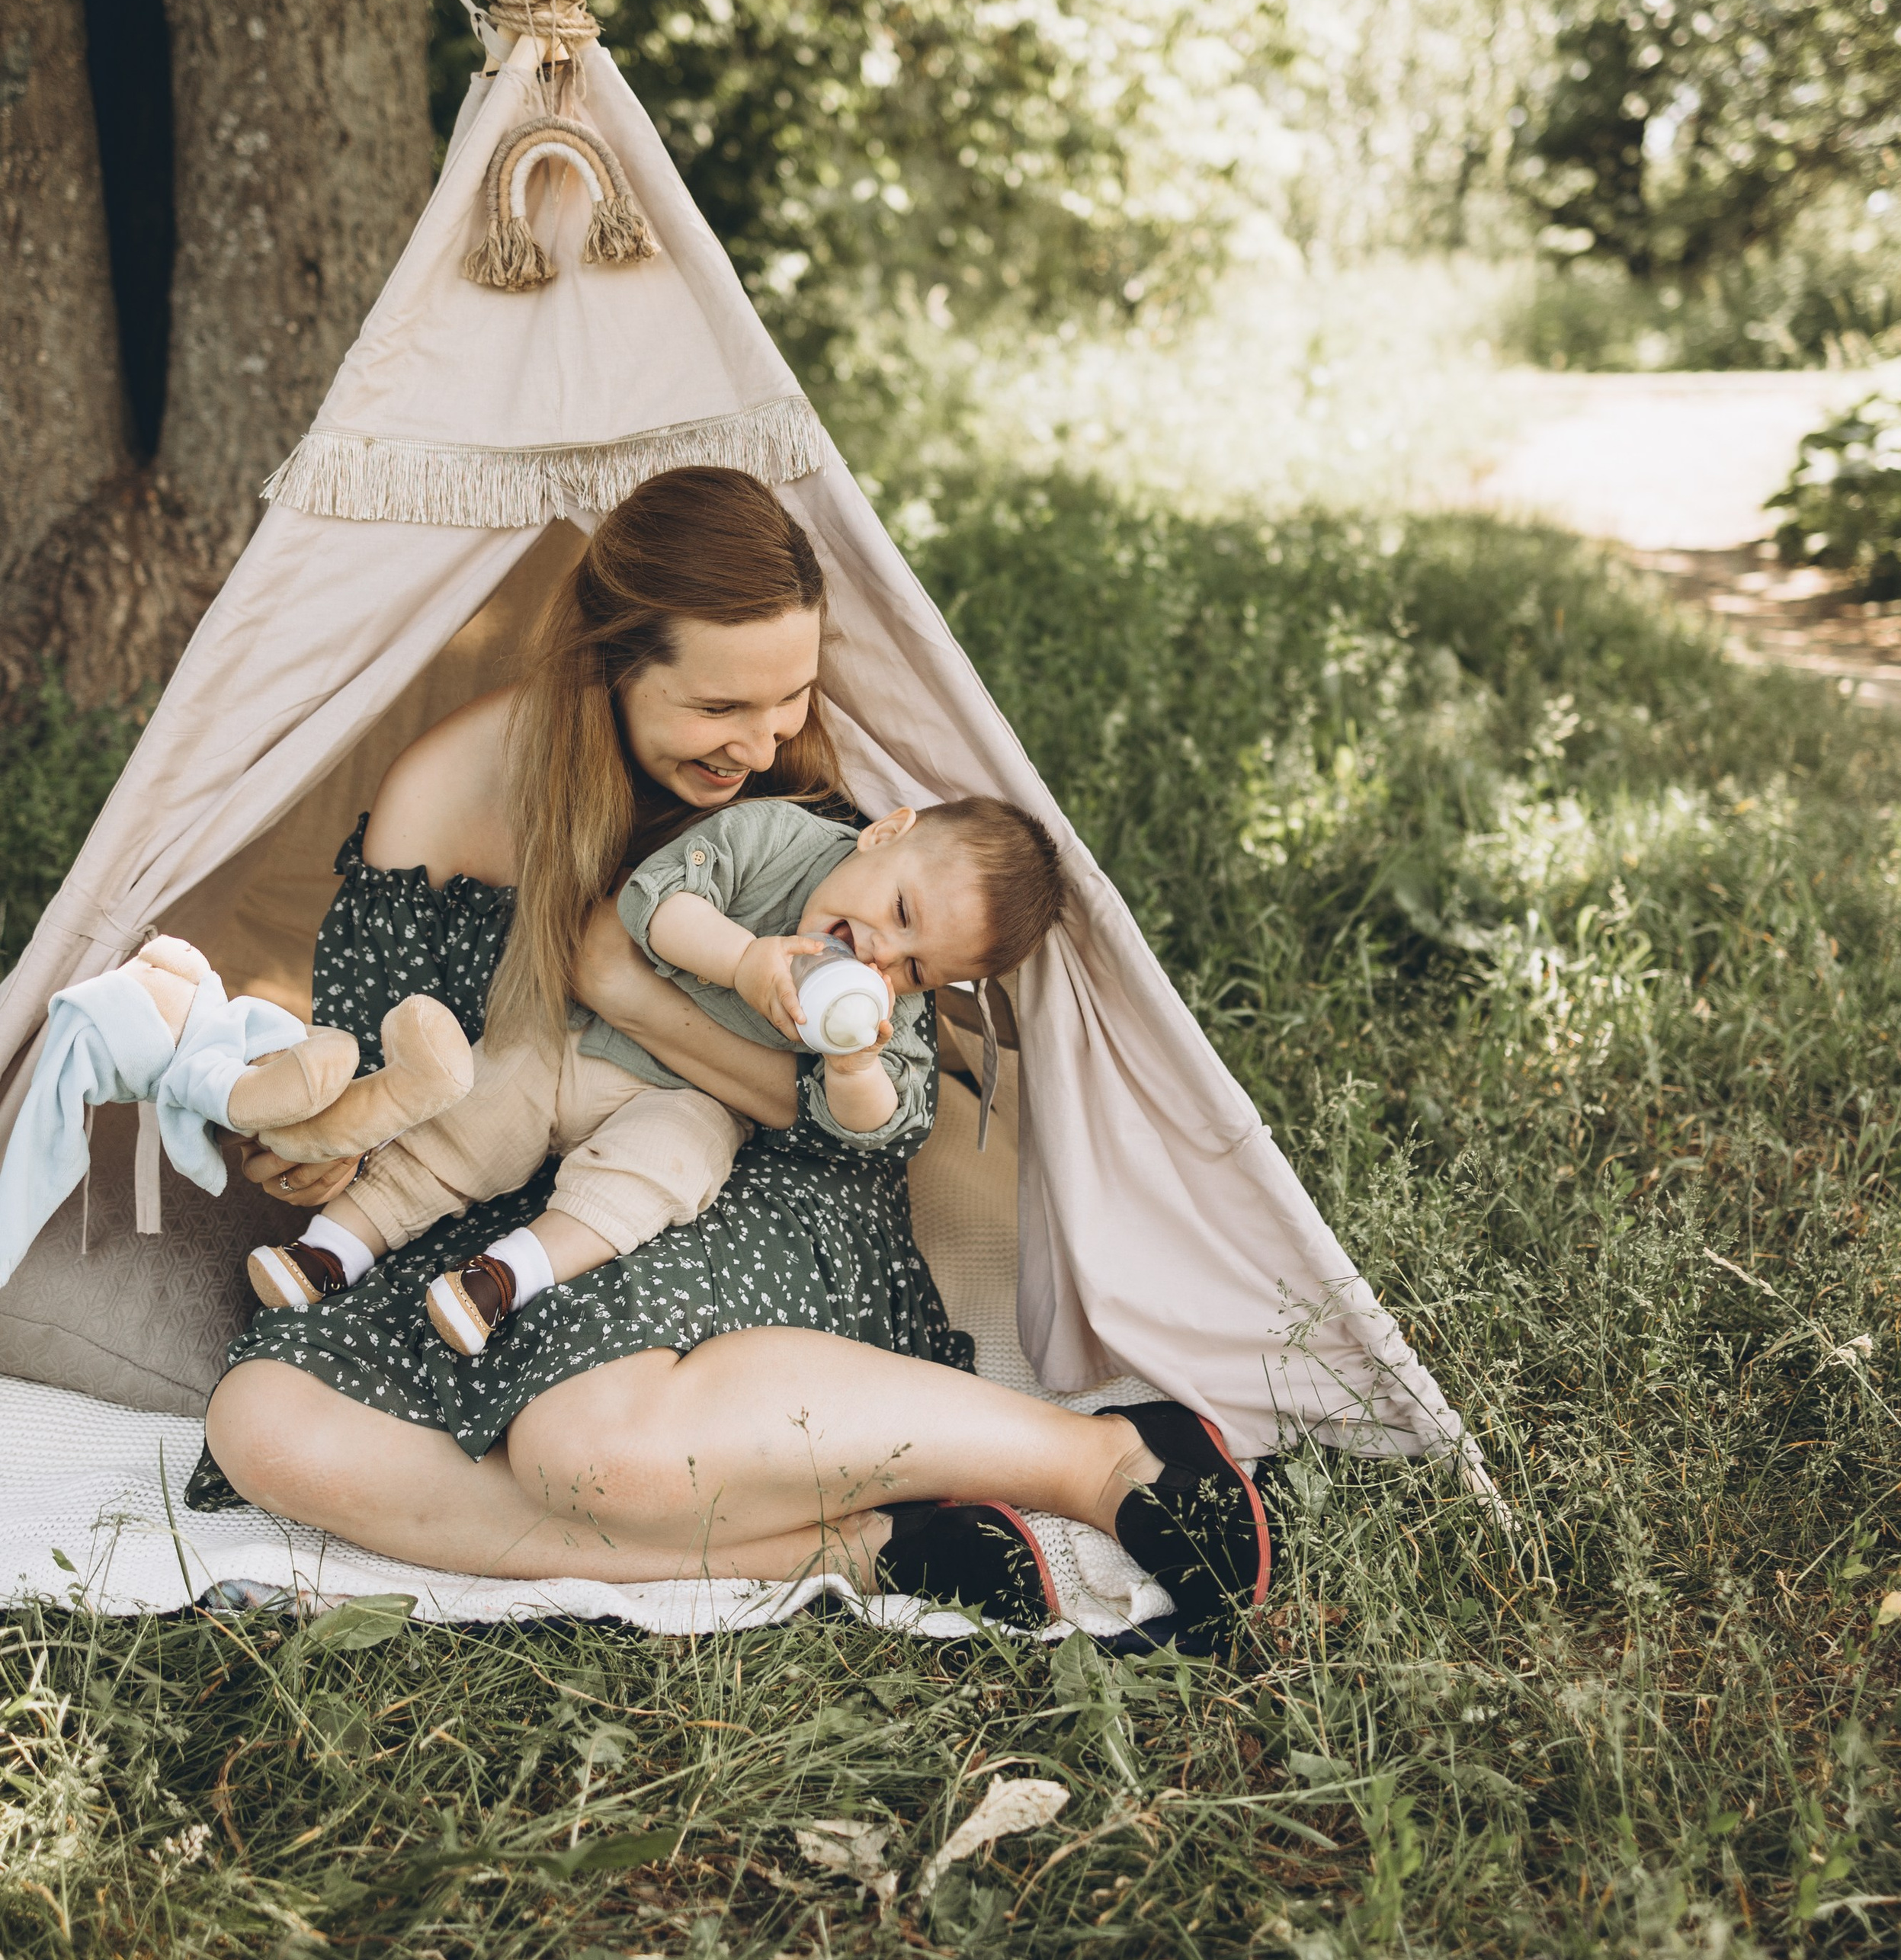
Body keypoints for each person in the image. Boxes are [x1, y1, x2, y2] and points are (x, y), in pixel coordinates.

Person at [199, 468, 1268, 1637]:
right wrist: (315, 1155)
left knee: (577, 1446)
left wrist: (625, 990)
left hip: (763, 1178)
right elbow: (373, 1080)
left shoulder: (813, 827)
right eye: (720, 710)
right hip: (516, 1192)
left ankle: (1100, 1461)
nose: (761, 746)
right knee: (262, 1424)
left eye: (793, 699)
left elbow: (832, 1111)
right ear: (610, 661)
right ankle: (864, 1547)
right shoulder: (447, 798)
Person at [244, 791, 1066, 1363]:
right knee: (479, 1115)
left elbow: (879, 1123)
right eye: (900, 912)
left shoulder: (886, 1006)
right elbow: (656, 900)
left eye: (918, 967)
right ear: (885, 834)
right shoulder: (777, 839)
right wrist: (743, 960)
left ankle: (504, 1278)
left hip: (688, 1099)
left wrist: (852, 1065)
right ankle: (332, 1248)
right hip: (582, 1040)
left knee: (670, 1172)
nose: (883, 953)